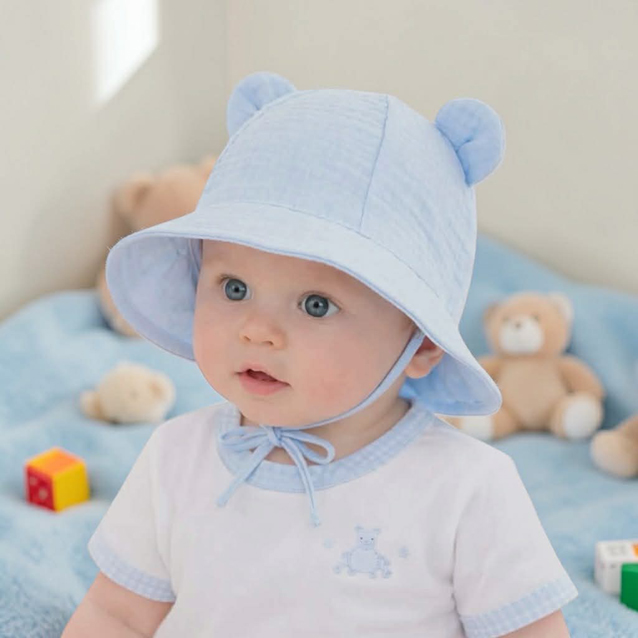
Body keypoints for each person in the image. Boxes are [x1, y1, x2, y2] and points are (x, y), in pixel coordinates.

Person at [62, 71, 577, 637]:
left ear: (423, 341)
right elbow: (116, 615)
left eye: (316, 305)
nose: (257, 331)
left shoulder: (467, 488)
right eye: (234, 288)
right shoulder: (175, 458)